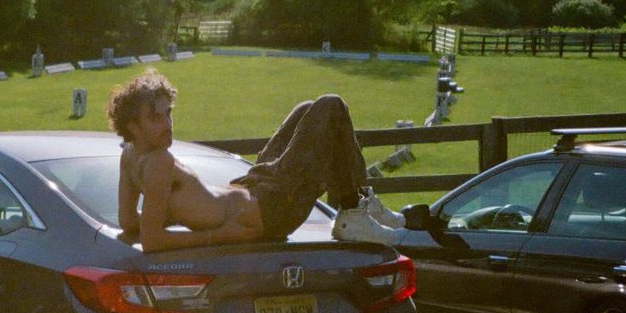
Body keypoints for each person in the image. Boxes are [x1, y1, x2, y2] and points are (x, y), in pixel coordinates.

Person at [108, 69, 406, 252]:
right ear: (132, 126)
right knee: (332, 107)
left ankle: (359, 203)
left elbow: (129, 222)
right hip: (273, 209)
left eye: (168, 112)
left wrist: (170, 210)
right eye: (155, 117)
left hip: (254, 186)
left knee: (308, 109)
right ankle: (354, 211)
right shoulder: (158, 161)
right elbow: (152, 241)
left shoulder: (130, 156)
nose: (168, 123)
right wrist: (220, 235)